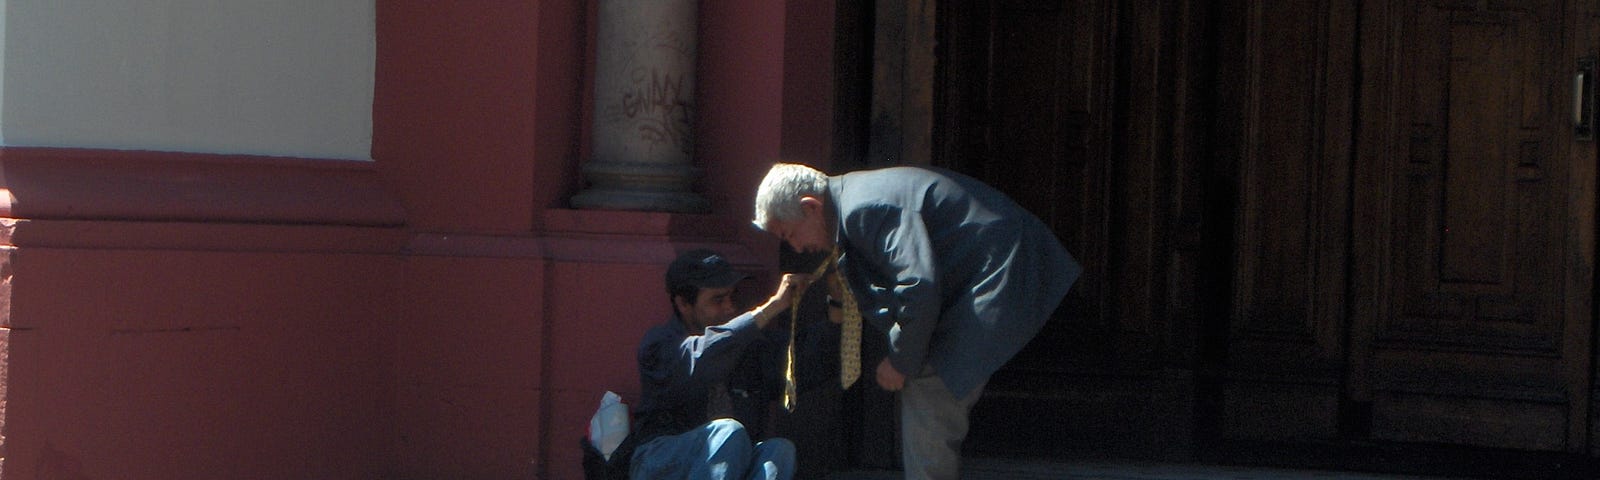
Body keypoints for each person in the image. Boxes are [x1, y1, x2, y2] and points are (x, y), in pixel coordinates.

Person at [751, 163, 1082, 480]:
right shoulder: (853, 202)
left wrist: (901, 360)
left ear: (810, 206)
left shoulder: (863, 209)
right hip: (991, 272)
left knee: (928, 382)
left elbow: (918, 287)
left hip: (998, 272)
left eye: (790, 234)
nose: (797, 247)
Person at [629, 249, 809, 480]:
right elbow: (705, 356)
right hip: (659, 462)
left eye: (731, 297)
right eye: (718, 299)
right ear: (683, 303)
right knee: (727, 433)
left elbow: (802, 359)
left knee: (779, 449)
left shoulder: (749, 345)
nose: (730, 308)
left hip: (730, 464)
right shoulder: (661, 345)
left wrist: (837, 306)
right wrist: (771, 307)